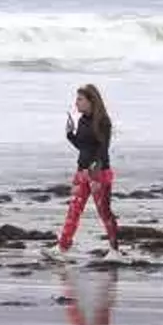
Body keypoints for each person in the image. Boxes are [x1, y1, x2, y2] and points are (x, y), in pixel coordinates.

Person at [43, 84, 123, 263]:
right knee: (74, 210)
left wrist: (95, 174)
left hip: (99, 173)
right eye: (76, 99)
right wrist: (70, 135)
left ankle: (114, 250)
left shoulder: (103, 121)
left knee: (104, 212)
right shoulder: (82, 120)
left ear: (91, 100)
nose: (76, 103)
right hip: (82, 172)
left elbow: (102, 149)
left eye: (80, 99)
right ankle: (62, 247)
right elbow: (82, 146)